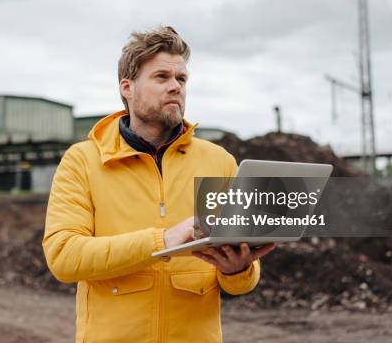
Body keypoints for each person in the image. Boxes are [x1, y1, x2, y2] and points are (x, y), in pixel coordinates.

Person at [42, 25, 275, 342]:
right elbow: (64, 257)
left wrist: (238, 269)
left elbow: (241, 284)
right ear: (128, 87)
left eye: (181, 79)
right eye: (161, 77)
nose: (175, 87)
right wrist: (162, 241)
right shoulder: (83, 161)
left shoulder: (219, 162)